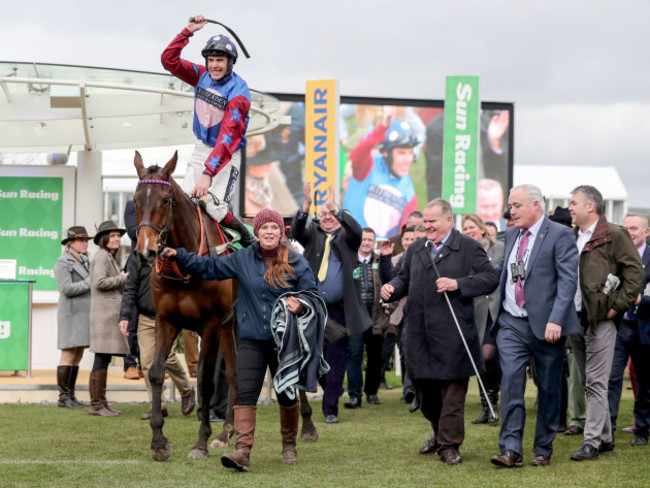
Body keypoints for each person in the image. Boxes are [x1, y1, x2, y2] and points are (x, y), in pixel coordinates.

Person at [162, 208, 321, 472]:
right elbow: (210, 267)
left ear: (281, 232)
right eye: (264, 228)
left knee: (285, 393)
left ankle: (289, 445)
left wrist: (301, 304)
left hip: (284, 342)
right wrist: (180, 255)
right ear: (256, 232)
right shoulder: (242, 258)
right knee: (245, 395)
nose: (269, 232)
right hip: (250, 339)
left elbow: (312, 293)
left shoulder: (295, 260)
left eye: (274, 228)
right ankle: (243, 451)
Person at [381, 198, 499, 465]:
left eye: (433, 221)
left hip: (455, 334)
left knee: (453, 393)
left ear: (449, 220)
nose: (427, 226)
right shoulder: (417, 248)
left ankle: (449, 445)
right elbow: (403, 279)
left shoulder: (469, 247)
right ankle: (438, 433)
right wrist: (391, 288)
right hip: (419, 334)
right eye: (425, 221)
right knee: (426, 395)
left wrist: (458, 283)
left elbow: (491, 278)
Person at [489, 184, 580, 468]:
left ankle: (543, 448)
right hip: (511, 322)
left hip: (546, 325)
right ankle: (511, 449)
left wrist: (556, 318)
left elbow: (567, 281)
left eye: (516, 206)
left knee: (549, 387)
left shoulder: (560, 234)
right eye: (510, 206)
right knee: (511, 381)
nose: (511, 211)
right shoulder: (512, 233)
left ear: (535, 206)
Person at [161, 14, 255, 246]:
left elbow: (227, 138)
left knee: (212, 206)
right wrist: (188, 31)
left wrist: (207, 174)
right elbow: (168, 60)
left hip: (226, 154)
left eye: (220, 61)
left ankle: (247, 239)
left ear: (230, 63)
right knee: (182, 202)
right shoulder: (201, 75)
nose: (214, 65)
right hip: (202, 147)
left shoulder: (239, 93)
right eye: (211, 60)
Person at [568, 186, 644, 461]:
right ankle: (606, 438)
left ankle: (592, 443)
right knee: (589, 381)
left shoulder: (614, 233)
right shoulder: (573, 235)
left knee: (597, 382)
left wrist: (615, 308)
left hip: (601, 320)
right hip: (575, 319)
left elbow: (635, 273)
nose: (570, 207)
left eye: (573, 202)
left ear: (590, 206)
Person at [292, 182, 372, 423]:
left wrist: (335, 207)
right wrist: (306, 205)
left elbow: (356, 230)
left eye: (331, 214)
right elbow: (296, 230)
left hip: (339, 311)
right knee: (313, 359)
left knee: (336, 359)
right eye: (323, 214)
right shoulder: (313, 236)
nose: (327, 218)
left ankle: (330, 409)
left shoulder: (349, 238)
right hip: (313, 310)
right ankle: (331, 390)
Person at [117, 252, 196, 420]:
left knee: (167, 358)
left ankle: (187, 391)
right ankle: (158, 407)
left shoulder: (174, 255)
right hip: (146, 317)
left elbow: (189, 286)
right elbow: (130, 287)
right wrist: (124, 316)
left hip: (170, 318)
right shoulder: (138, 256)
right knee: (146, 361)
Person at [343, 107, 420, 239]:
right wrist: (381, 128)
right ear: (386, 153)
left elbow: (407, 235)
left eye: (410, 153)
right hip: (351, 247)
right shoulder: (369, 166)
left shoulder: (409, 191)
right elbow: (357, 154)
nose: (408, 160)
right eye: (401, 153)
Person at [608, 213, 650, 447]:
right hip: (619, 326)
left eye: (634, 228)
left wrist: (641, 300)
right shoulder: (614, 255)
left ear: (647, 231)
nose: (629, 232)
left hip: (644, 328)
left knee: (644, 382)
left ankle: (642, 429)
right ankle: (608, 431)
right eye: (625, 228)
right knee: (611, 379)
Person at [462, 214, 505, 424]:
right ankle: (488, 408)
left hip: (498, 311)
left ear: (481, 229)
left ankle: (494, 403)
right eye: (464, 228)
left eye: (471, 227)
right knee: (482, 358)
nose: (468, 231)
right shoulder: (465, 254)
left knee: (489, 356)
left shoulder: (500, 248)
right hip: (477, 313)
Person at [345, 227, 390, 408]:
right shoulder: (349, 260)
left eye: (370, 240)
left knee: (375, 357)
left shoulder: (381, 261)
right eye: (364, 239)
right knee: (354, 356)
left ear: (375, 242)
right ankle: (355, 395)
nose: (366, 243)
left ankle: (371, 392)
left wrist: (388, 308)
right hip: (355, 318)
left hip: (375, 318)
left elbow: (390, 282)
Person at [88, 221, 129, 417]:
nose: (117, 239)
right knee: (101, 359)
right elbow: (99, 282)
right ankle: (96, 404)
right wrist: (122, 278)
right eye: (112, 235)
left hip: (106, 315)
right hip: (104, 316)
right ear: (104, 239)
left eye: (118, 236)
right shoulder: (102, 257)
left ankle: (101, 403)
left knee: (103, 359)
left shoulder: (107, 256)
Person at [54, 226, 93, 409]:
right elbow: (66, 289)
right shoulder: (63, 262)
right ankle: (63, 397)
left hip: (83, 315)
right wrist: (89, 282)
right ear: (71, 242)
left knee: (77, 356)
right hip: (71, 314)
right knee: (68, 355)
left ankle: (71, 395)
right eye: (81, 240)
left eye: (86, 240)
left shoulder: (86, 260)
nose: (84, 243)